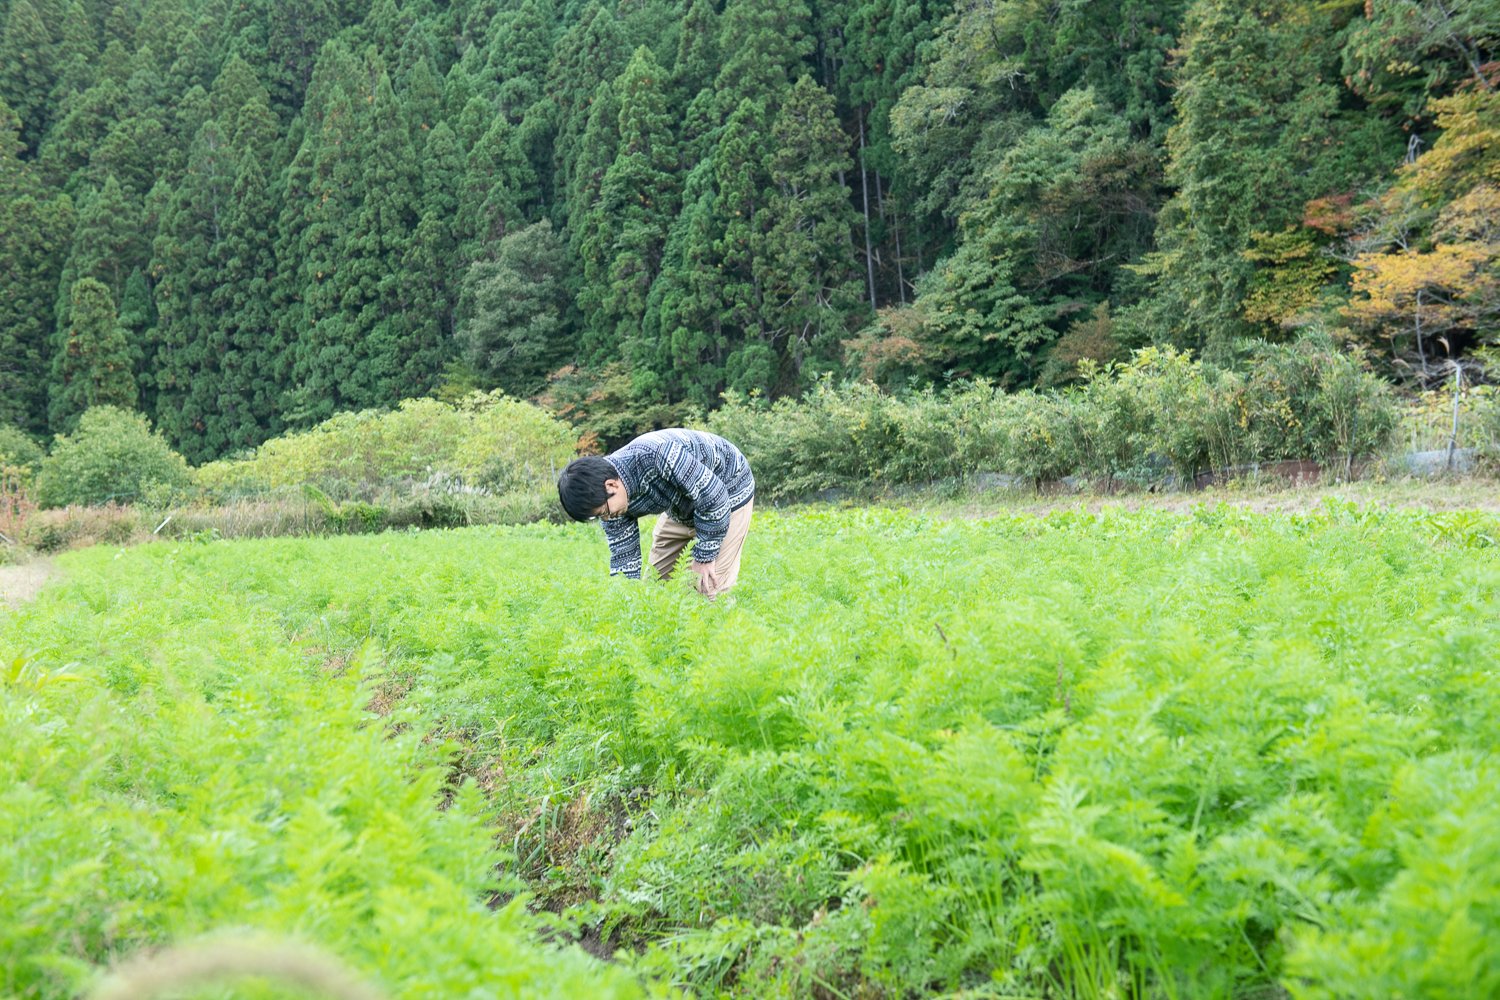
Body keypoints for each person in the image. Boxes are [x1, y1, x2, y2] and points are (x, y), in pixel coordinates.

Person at [557, 429, 754, 598]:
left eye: (604, 512)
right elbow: (625, 562)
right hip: (681, 504)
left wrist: (704, 557)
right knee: (654, 588)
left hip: (728, 489)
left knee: (708, 588)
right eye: (598, 517)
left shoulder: (657, 456)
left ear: (611, 485)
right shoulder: (608, 502)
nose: (607, 519)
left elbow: (714, 497)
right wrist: (622, 605)